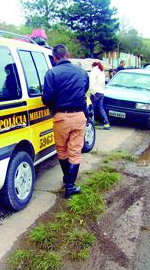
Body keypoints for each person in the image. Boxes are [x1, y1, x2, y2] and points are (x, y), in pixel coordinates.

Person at [42, 44, 89, 198]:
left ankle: (66, 179)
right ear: (67, 54)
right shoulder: (82, 72)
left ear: (54, 57)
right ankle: (70, 185)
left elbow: (47, 99)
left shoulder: (51, 73)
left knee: (61, 150)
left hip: (61, 117)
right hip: (79, 116)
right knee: (75, 152)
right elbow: (85, 90)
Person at [89, 61, 110, 130]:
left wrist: (93, 92)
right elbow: (103, 83)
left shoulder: (94, 71)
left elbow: (92, 83)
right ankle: (106, 123)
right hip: (101, 92)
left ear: (93, 65)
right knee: (100, 108)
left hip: (96, 92)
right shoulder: (101, 72)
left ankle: (92, 123)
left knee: (92, 108)